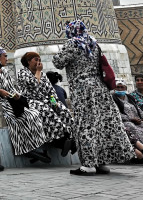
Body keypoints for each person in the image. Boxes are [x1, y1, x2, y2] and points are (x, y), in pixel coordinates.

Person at [52, 21, 134, 176]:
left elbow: (58, 62)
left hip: (83, 89)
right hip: (100, 88)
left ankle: (89, 164)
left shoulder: (73, 43)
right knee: (102, 124)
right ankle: (101, 162)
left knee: (86, 124)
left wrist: (59, 51)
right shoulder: (93, 44)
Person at [0, 46, 50, 163]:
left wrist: (17, 95)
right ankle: (26, 149)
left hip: (11, 101)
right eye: (5, 56)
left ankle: (36, 148)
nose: (7, 59)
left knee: (34, 114)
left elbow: (11, 88)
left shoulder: (5, 71)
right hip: (0, 103)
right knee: (18, 120)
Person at [16, 51, 75, 157]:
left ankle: (70, 138)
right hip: (30, 101)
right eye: (35, 60)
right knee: (46, 111)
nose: (38, 62)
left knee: (62, 109)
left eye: (39, 60)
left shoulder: (43, 75)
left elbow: (50, 91)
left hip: (45, 100)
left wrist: (54, 103)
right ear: (28, 61)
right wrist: (38, 71)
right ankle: (59, 141)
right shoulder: (23, 73)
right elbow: (34, 85)